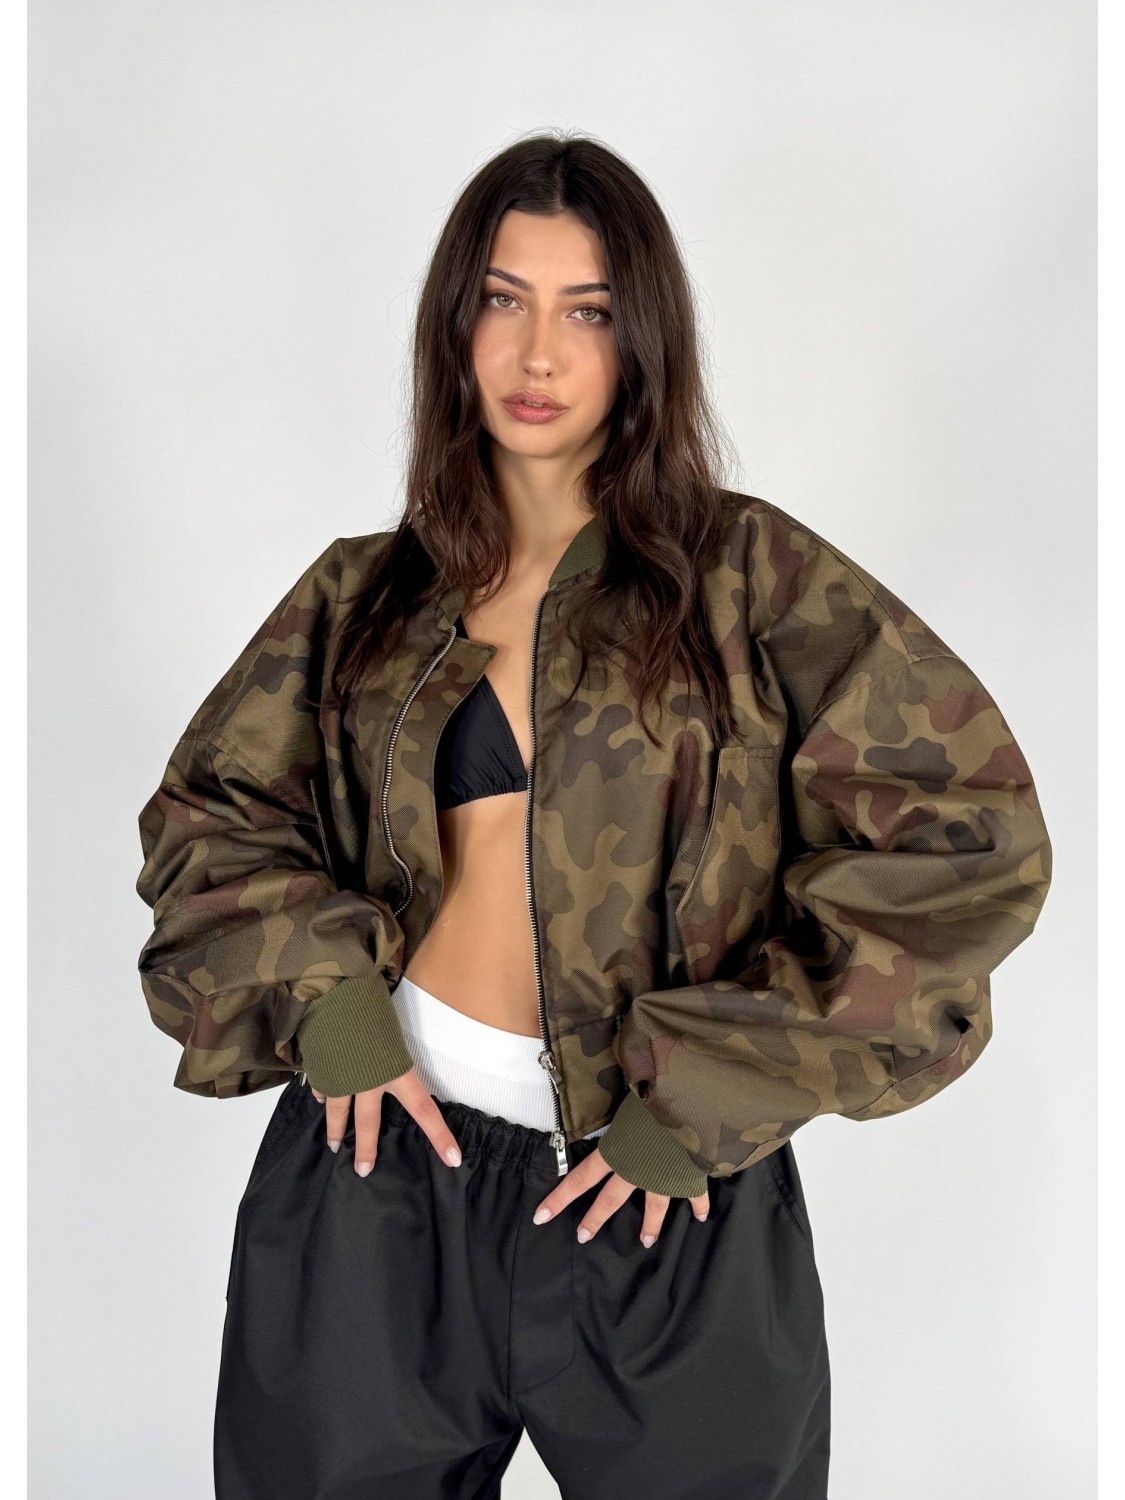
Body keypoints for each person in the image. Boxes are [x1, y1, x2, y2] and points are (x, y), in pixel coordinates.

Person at [134, 132, 1053, 1500]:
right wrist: (332, 1015)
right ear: (455, 328)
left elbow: (964, 837)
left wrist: (704, 1095)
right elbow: (211, 821)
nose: (537, 354)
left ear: (644, 342)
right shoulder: (362, 599)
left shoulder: (751, 584)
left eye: (589, 312)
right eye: (502, 301)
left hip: (664, 1194)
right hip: (376, 1174)